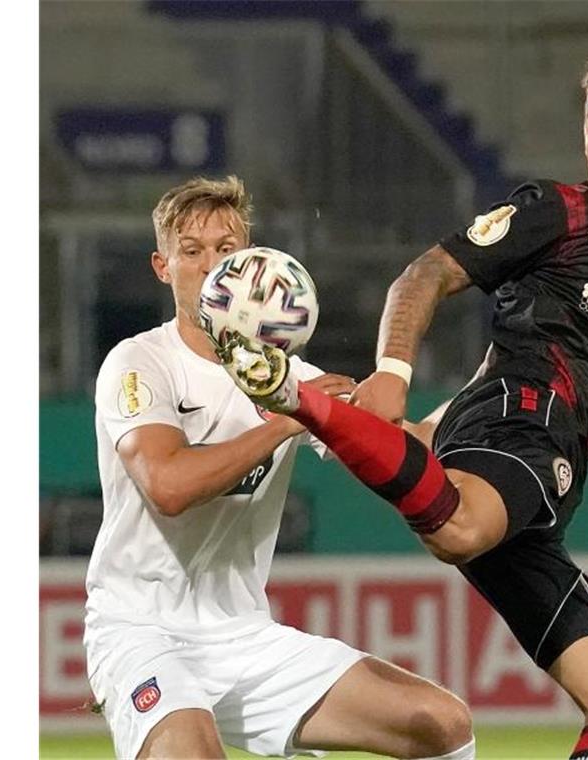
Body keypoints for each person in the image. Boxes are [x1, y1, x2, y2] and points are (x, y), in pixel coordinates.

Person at [212, 49, 588, 759]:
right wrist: (392, 373)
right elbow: (423, 274)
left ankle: (349, 423)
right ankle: (296, 398)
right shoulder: (557, 212)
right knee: (458, 529)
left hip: (544, 491)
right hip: (513, 425)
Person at [85, 176, 474, 760]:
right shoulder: (140, 363)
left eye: (227, 250)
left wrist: (495, 386)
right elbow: (167, 486)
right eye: (192, 252)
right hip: (141, 631)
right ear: (163, 267)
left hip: (243, 636)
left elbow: (411, 447)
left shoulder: (295, 379)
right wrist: (290, 419)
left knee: (440, 723)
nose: (213, 267)